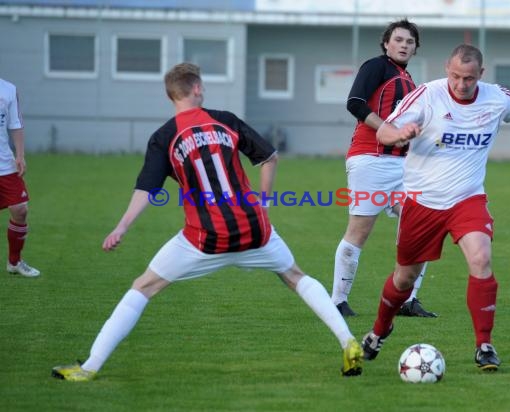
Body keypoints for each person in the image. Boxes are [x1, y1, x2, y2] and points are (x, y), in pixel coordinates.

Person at [51, 62, 364, 381]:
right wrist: (264, 203)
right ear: (197, 88)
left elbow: (147, 188)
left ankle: (89, 368)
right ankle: (348, 342)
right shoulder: (225, 120)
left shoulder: (164, 136)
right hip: (255, 229)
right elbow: (270, 158)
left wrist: (122, 227)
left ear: (171, 96)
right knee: (295, 276)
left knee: (144, 286)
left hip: (205, 236)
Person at [361, 44, 510, 371]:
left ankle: (484, 345)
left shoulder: (498, 97)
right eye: (455, 76)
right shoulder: (427, 95)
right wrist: (399, 134)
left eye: (468, 78)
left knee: (481, 258)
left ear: (480, 75)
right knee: (404, 279)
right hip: (421, 202)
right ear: (447, 68)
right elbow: (384, 130)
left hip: (467, 199)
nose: (460, 84)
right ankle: (379, 330)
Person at [331, 18, 435, 318]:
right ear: (386, 43)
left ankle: (408, 299)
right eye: (399, 39)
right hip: (371, 159)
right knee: (359, 232)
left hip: (404, 166)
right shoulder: (376, 66)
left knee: (422, 227)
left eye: (410, 41)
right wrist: (388, 128)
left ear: (416, 48)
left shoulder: (409, 80)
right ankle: (337, 300)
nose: (404, 45)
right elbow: (355, 102)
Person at [0, 78, 40, 278]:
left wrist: (20, 155)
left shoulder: (8, 89)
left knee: (20, 209)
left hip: (4, 164)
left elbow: (15, 124)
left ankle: (14, 262)